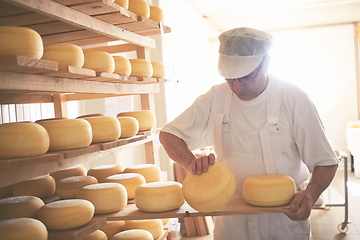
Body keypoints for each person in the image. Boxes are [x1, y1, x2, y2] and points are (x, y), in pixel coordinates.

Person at [159, 27, 339, 239]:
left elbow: (326, 161)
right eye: (229, 77)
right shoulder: (216, 97)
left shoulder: (292, 98)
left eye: (245, 77)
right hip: (232, 223)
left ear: (266, 63)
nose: (236, 86)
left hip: (283, 221)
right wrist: (190, 163)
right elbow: (169, 134)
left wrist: (310, 194)